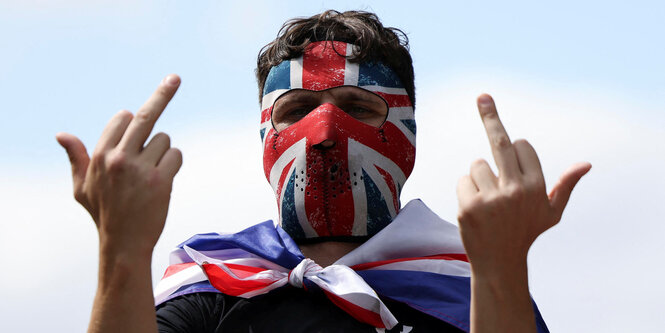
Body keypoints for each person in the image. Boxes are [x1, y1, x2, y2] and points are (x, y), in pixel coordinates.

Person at [56, 10, 590, 333]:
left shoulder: (468, 289)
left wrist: (501, 269)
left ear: (408, 135)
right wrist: (121, 249)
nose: (325, 133)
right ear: (265, 138)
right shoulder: (215, 285)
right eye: (295, 111)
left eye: (358, 107)